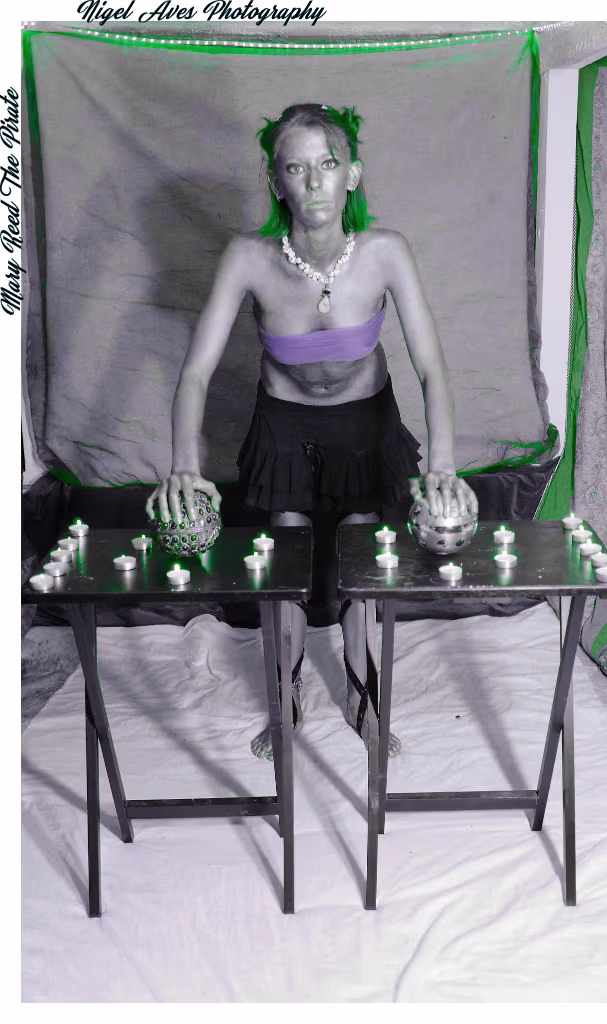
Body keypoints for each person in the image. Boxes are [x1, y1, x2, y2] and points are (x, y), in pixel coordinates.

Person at [146, 103, 478, 760]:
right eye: (296, 169)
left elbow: (432, 368)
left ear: (352, 173)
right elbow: (196, 372)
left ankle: (363, 694)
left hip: (364, 423)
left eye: (328, 164)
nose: (315, 181)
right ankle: (286, 695)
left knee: (361, 556)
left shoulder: (385, 251)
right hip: (285, 425)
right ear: (277, 182)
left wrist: (442, 463)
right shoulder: (247, 257)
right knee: (287, 560)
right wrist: (184, 464)